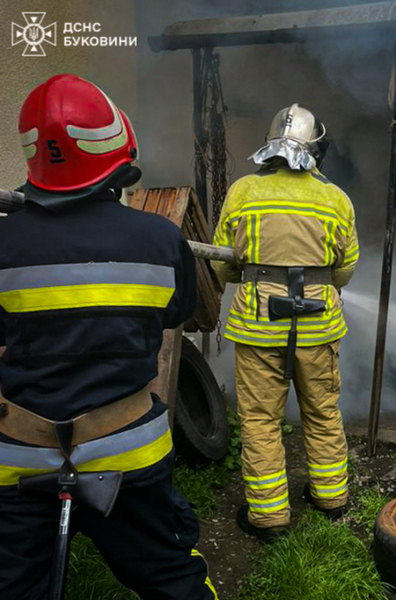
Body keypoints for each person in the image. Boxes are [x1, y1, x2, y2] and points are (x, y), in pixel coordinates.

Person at [0, 74, 217, 599]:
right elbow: (173, 316)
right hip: (129, 455)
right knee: (171, 578)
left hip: (19, 461)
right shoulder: (160, 240)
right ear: (117, 147)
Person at [212, 104, 359, 542]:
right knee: (323, 411)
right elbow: (345, 271)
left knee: (260, 420)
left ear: (270, 146)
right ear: (316, 149)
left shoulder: (243, 191)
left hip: (258, 326)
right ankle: (331, 498)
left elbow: (223, 265)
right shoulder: (336, 199)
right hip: (319, 329)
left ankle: (269, 516)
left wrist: (253, 275)